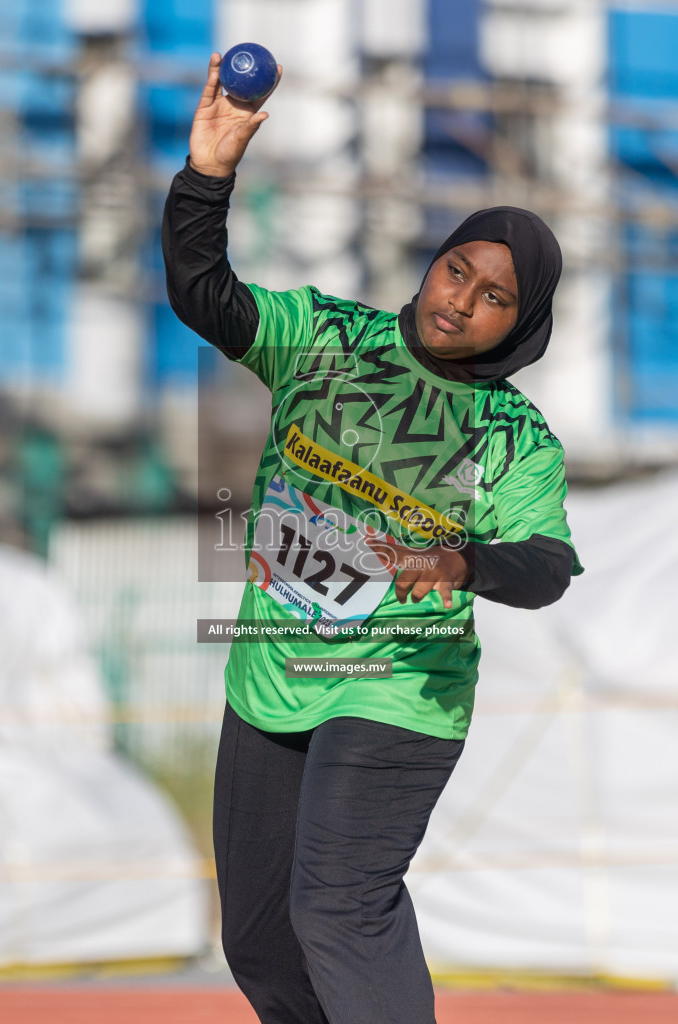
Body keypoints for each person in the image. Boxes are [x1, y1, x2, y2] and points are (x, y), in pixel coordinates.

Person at [162, 53, 583, 1024]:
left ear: (520, 326)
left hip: (399, 692)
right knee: (260, 939)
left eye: (493, 299)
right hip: (273, 674)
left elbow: (545, 565)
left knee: (339, 911)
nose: (460, 300)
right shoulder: (321, 336)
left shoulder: (514, 437)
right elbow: (202, 293)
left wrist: (462, 561)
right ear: (433, 260)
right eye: (457, 270)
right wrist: (208, 174)